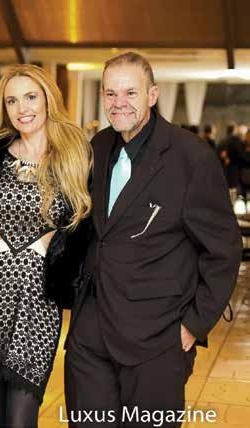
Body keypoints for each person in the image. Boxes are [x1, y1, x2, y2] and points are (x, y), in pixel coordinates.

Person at [64, 52, 241, 427]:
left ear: (152, 95)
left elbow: (224, 249)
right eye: (110, 93)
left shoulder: (191, 156)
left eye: (130, 92)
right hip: (91, 334)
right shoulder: (97, 148)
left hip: (157, 337)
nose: (119, 103)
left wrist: (194, 325)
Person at [0, 64, 92, 427]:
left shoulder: (75, 154)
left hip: (38, 295)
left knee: (22, 417)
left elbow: (82, 229)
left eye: (30, 97)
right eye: (12, 101)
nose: (22, 108)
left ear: (48, 99)